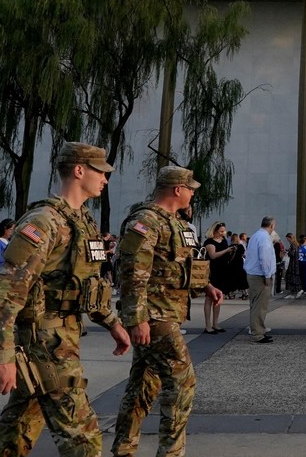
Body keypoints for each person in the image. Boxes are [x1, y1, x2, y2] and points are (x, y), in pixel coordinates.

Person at [0, 142, 131, 457]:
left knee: (15, 431)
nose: (105, 180)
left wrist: (112, 323)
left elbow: (87, 283)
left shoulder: (83, 220)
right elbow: (7, 292)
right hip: (44, 344)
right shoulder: (44, 221)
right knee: (83, 441)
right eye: (100, 172)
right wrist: (2, 356)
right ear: (79, 170)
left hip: (66, 335)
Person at [110, 166, 223, 457]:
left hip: (167, 313)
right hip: (155, 316)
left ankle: (124, 448)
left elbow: (180, 265)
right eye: (190, 188)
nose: (193, 193)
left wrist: (206, 285)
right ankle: (170, 452)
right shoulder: (146, 221)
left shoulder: (175, 223)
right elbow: (132, 271)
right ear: (177, 189)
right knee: (182, 382)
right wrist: (137, 319)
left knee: (143, 386)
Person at [243, 217, 278, 343]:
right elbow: (265, 257)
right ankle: (258, 333)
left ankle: (257, 330)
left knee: (255, 304)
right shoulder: (264, 238)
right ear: (272, 226)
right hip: (260, 275)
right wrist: (267, 274)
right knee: (260, 306)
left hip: (253, 273)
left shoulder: (255, 236)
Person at [200, 221, 231, 333]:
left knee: (218, 297)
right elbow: (213, 255)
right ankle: (208, 325)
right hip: (212, 271)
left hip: (222, 271)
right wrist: (227, 250)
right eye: (221, 231)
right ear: (215, 231)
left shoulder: (223, 241)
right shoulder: (209, 242)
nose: (223, 233)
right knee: (209, 298)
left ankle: (215, 323)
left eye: (224, 231)